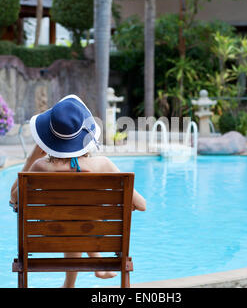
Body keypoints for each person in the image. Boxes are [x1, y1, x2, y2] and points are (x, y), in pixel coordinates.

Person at [9, 94, 146, 287]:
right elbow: (142, 205)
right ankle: (92, 268)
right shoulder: (104, 165)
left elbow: (14, 198)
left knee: (70, 219)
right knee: (80, 219)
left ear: (49, 139)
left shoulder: (40, 167)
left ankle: (69, 284)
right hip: (93, 232)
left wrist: (31, 158)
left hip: (51, 235)